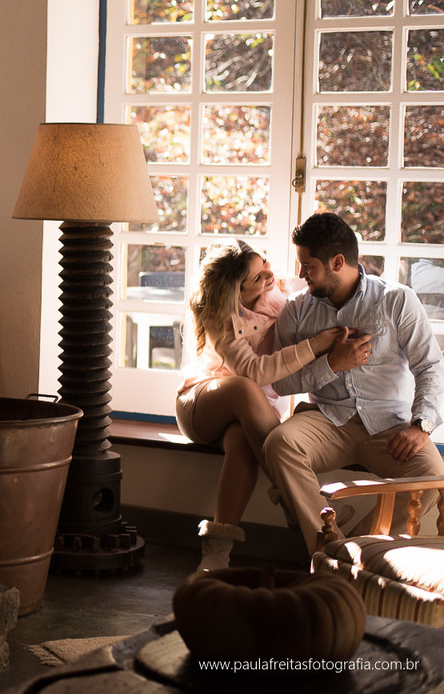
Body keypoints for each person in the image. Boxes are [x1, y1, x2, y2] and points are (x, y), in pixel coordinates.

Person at [265, 212, 444, 555]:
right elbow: (282, 382)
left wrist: (422, 426)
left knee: (433, 475)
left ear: (337, 261)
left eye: (309, 266)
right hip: (327, 419)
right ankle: (329, 545)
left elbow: (431, 366)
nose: (301, 275)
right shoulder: (296, 310)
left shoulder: (396, 300)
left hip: (388, 425)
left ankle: (350, 551)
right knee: (279, 444)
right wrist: (332, 364)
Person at [177, 239, 343, 570]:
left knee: (241, 441)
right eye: (257, 276)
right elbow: (255, 371)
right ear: (234, 292)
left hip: (251, 415)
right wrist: (315, 346)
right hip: (202, 404)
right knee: (244, 387)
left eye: (264, 262)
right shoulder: (219, 316)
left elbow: (322, 294)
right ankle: (296, 500)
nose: (268, 273)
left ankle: (215, 555)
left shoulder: (279, 289)